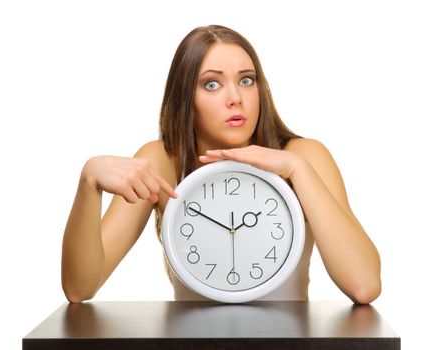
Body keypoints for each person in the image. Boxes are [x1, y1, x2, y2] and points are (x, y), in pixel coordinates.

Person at [61, 25, 381, 304]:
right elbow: (80, 288)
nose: (235, 98)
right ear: (187, 97)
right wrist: (88, 183)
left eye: (246, 80)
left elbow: (364, 285)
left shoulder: (304, 155)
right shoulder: (163, 161)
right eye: (212, 84)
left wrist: (298, 171)